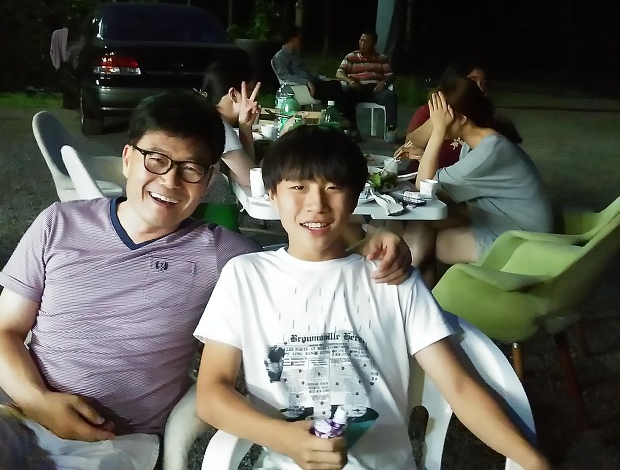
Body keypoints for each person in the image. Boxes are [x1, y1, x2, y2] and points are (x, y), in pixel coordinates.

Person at [0, 91, 414, 470]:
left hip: (113, 445)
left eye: (191, 168)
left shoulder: (221, 253)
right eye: (156, 159)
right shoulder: (59, 223)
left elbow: (307, 246)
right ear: (128, 159)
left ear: (208, 182)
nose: (170, 181)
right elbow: (2, 333)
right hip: (18, 415)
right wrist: (39, 402)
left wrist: (373, 238)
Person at [193, 125, 550, 470]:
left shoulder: (393, 279)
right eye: (299, 187)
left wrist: (533, 460)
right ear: (272, 194)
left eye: (333, 188)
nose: (316, 204)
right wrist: (283, 438)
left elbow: (459, 386)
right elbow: (211, 395)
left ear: (355, 198)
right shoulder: (245, 277)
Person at [400, 76, 551, 286]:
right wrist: (426, 151)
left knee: (436, 241)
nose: (434, 119)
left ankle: (399, 277)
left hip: (522, 240)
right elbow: (437, 192)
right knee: (425, 220)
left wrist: (438, 132)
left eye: (440, 114)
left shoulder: (489, 152)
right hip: (504, 221)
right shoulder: (477, 143)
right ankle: (406, 282)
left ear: (462, 118)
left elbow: (423, 188)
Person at [395, 65, 520, 173]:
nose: (480, 88)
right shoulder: (431, 111)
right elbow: (410, 144)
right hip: (420, 179)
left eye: (484, 83)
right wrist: (436, 122)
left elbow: (431, 182)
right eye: (472, 81)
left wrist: (439, 130)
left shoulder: (487, 132)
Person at [198, 57, 262, 195]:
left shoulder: (204, 114)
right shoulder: (218, 126)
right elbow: (250, 179)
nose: (256, 99)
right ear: (233, 94)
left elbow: (241, 171)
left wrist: (245, 126)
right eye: (251, 91)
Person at [335, 31, 398, 140]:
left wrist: (384, 83)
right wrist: (351, 81)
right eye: (361, 41)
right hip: (357, 89)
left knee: (390, 96)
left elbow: (391, 76)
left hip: (375, 91)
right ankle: (352, 128)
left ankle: (391, 130)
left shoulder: (381, 59)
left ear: (373, 44)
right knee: (344, 94)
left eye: (366, 42)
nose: (362, 44)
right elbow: (339, 73)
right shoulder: (351, 57)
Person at [270, 26, 346, 113]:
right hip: (301, 88)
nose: (301, 41)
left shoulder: (295, 55)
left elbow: (307, 72)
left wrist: (324, 78)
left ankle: (338, 114)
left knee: (335, 84)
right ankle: (337, 114)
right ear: (292, 39)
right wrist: (306, 82)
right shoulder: (280, 57)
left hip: (311, 84)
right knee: (332, 88)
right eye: (299, 38)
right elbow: (285, 77)